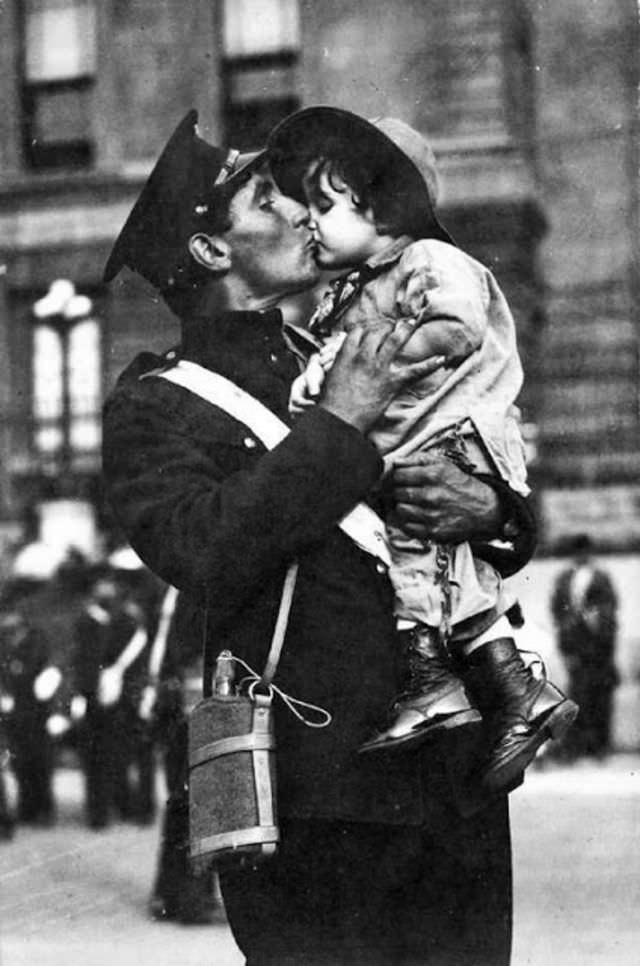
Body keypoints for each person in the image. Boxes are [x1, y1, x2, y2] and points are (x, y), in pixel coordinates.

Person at [101, 110, 538, 966]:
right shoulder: (155, 404)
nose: (308, 208)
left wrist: (492, 511)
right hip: (310, 798)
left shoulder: (363, 327)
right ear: (211, 251)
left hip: (452, 776)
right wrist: (340, 419)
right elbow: (203, 545)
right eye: (270, 195)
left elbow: (497, 487)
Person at [267, 107, 577, 786]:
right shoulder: (347, 290)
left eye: (323, 204)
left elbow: (458, 328)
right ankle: (515, 692)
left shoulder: (428, 262)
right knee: (444, 573)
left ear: (384, 209)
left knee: (415, 558)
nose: (308, 221)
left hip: (446, 436)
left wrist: (377, 366)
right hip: (417, 443)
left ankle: (435, 689)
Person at [70, 567, 149, 828]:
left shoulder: (125, 623)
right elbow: (80, 662)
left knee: (119, 755)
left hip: (121, 701)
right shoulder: (85, 623)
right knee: (94, 758)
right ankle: (98, 814)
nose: (105, 590)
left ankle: (123, 806)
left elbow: (135, 663)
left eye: (109, 585)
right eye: (101, 585)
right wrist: (80, 695)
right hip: (93, 698)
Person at [551, 534, 619, 760]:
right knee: (578, 695)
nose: (582, 555)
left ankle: (599, 746)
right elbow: (557, 612)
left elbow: (610, 609)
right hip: (575, 644)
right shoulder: (564, 579)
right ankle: (577, 746)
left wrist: (596, 622)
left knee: (600, 695)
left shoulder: (601, 577)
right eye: (578, 551)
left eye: (586, 551)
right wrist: (566, 641)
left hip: (598, 645)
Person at [0, 606, 59, 826]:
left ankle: (45, 809)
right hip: (14, 712)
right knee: (20, 762)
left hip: (36, 711)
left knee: (40, 763)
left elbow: (45, 673)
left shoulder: (37, 640)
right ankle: (28, 808)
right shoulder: (5, 642)